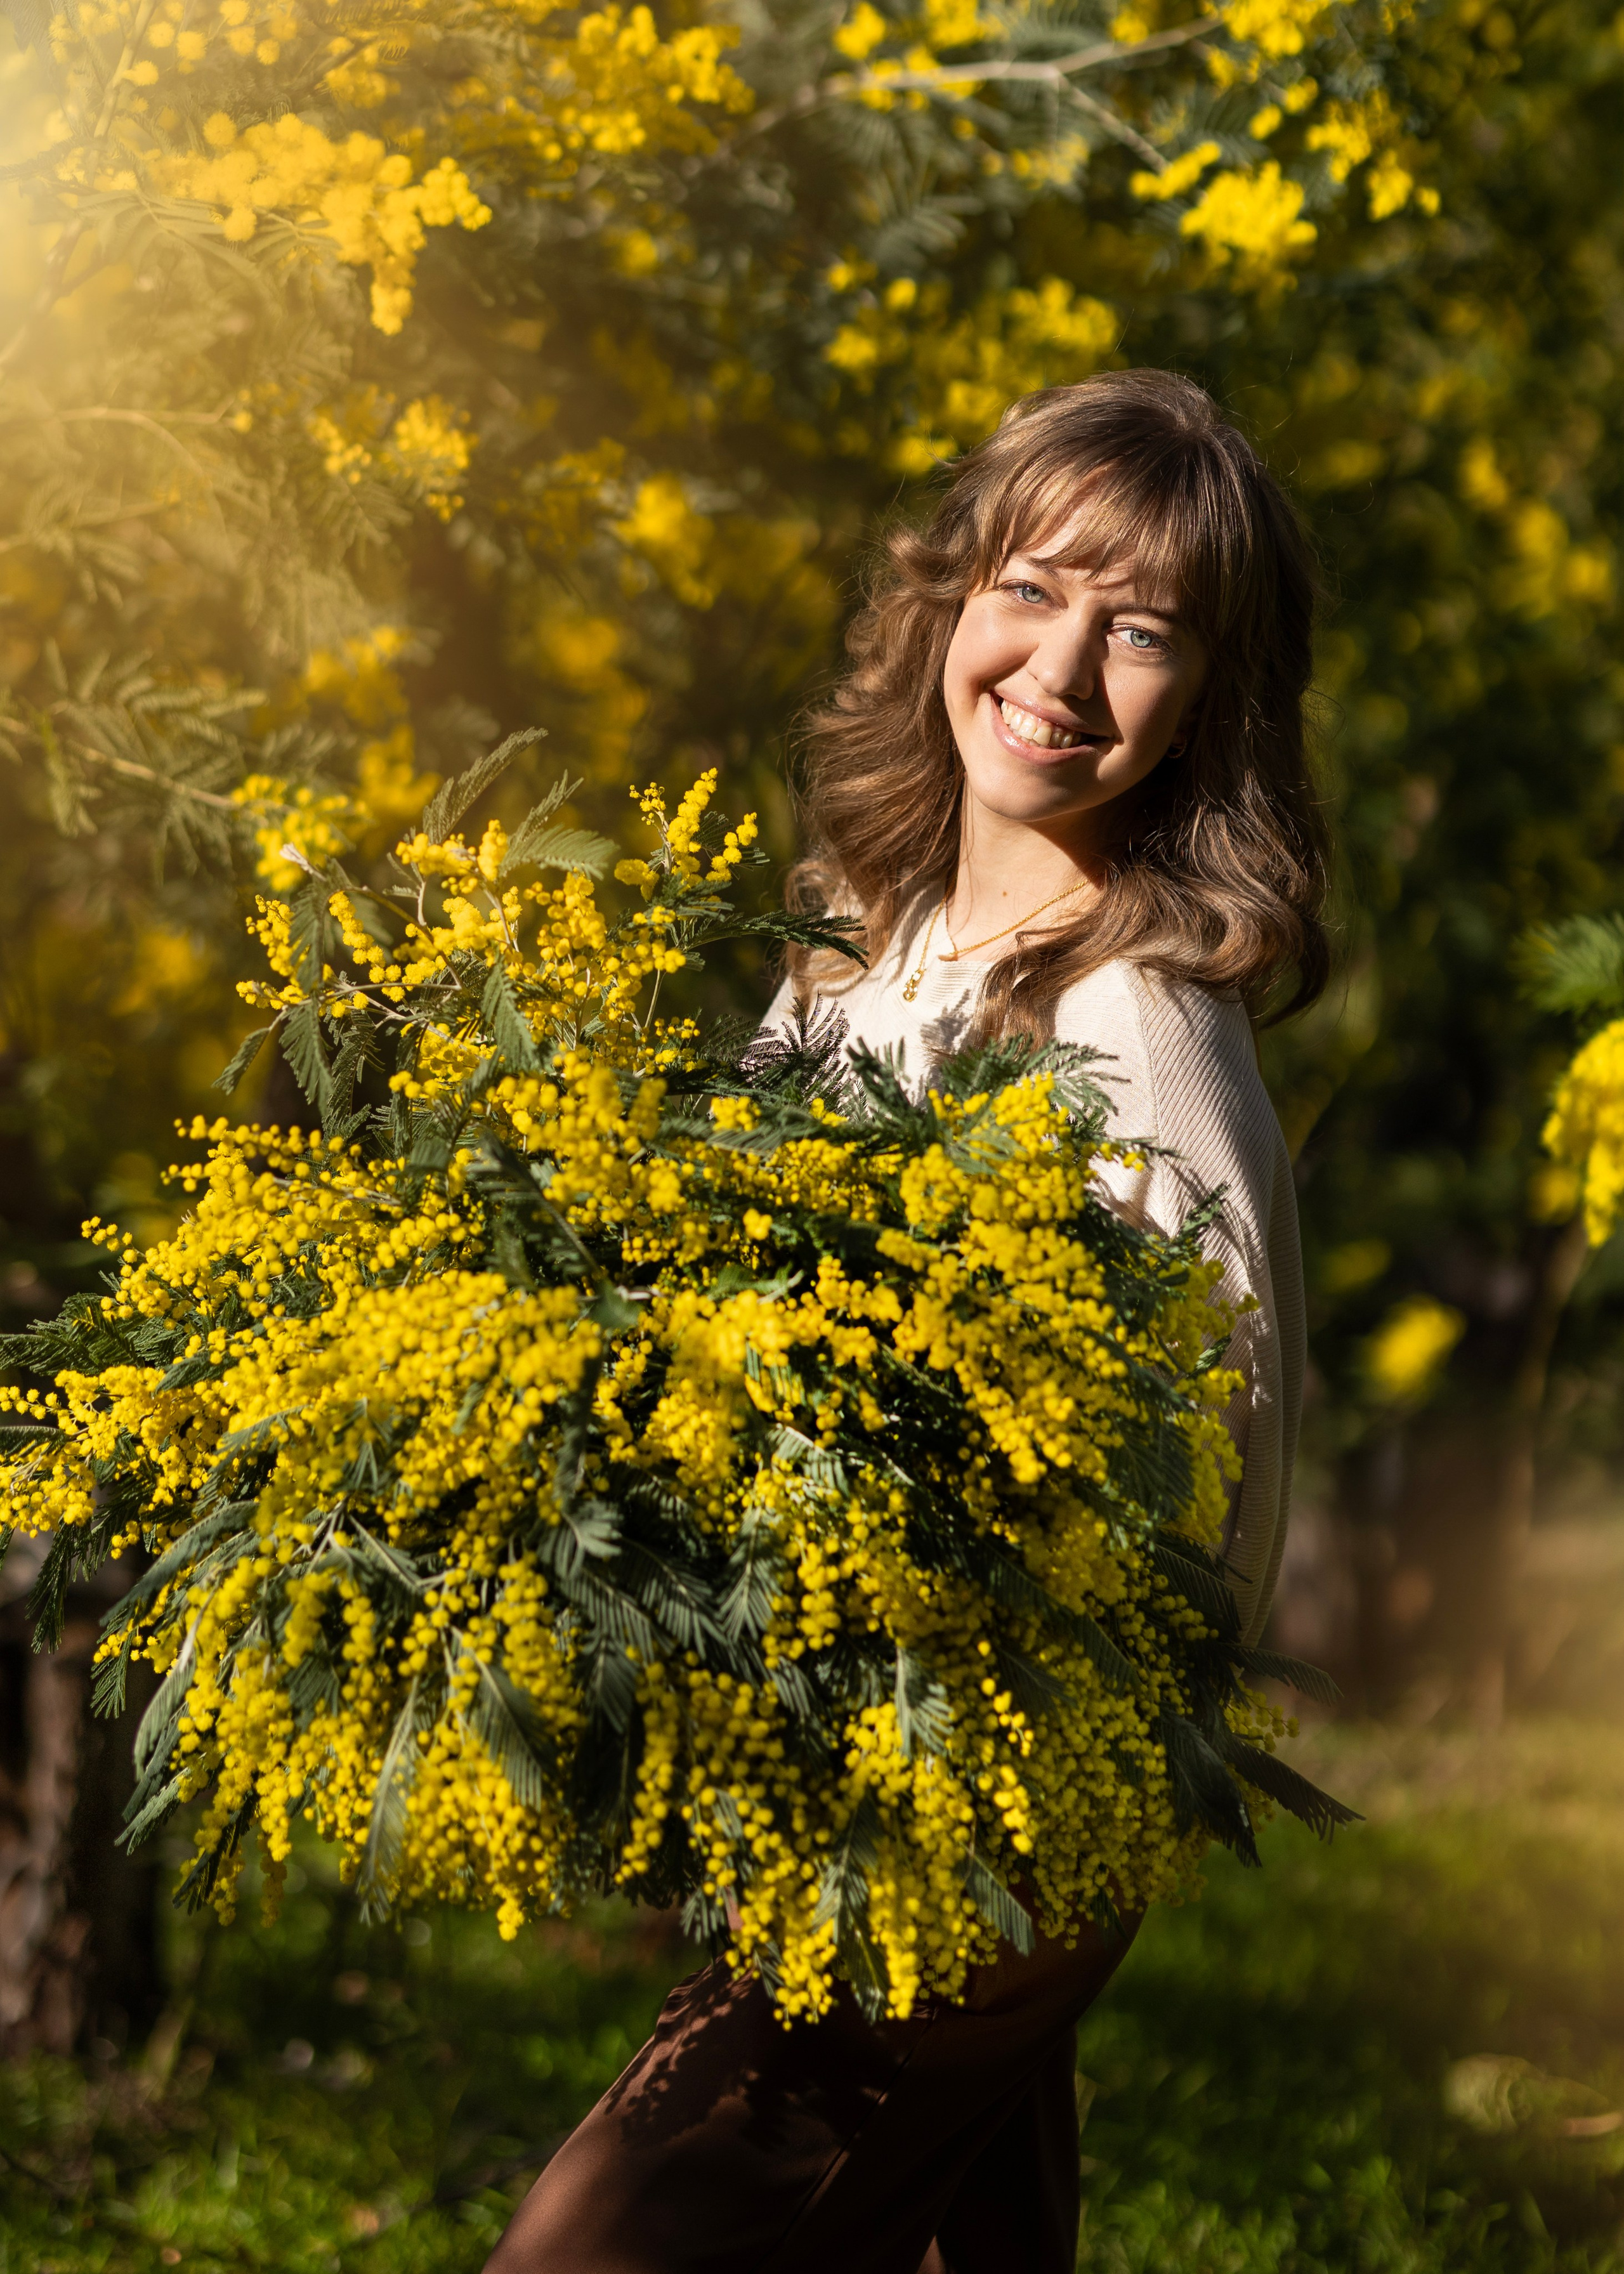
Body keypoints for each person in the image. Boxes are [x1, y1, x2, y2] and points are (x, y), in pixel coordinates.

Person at [483, 369, 1329, 2274]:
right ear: (952, 599)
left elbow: (1203, 1483)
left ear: (1209, 701)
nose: (1064, 665)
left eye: (1148, 632)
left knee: (599, 2247)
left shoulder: (1132, 1025)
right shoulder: (864, 943)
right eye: (1034, 588)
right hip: (853, 1763)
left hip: (985, 1809)